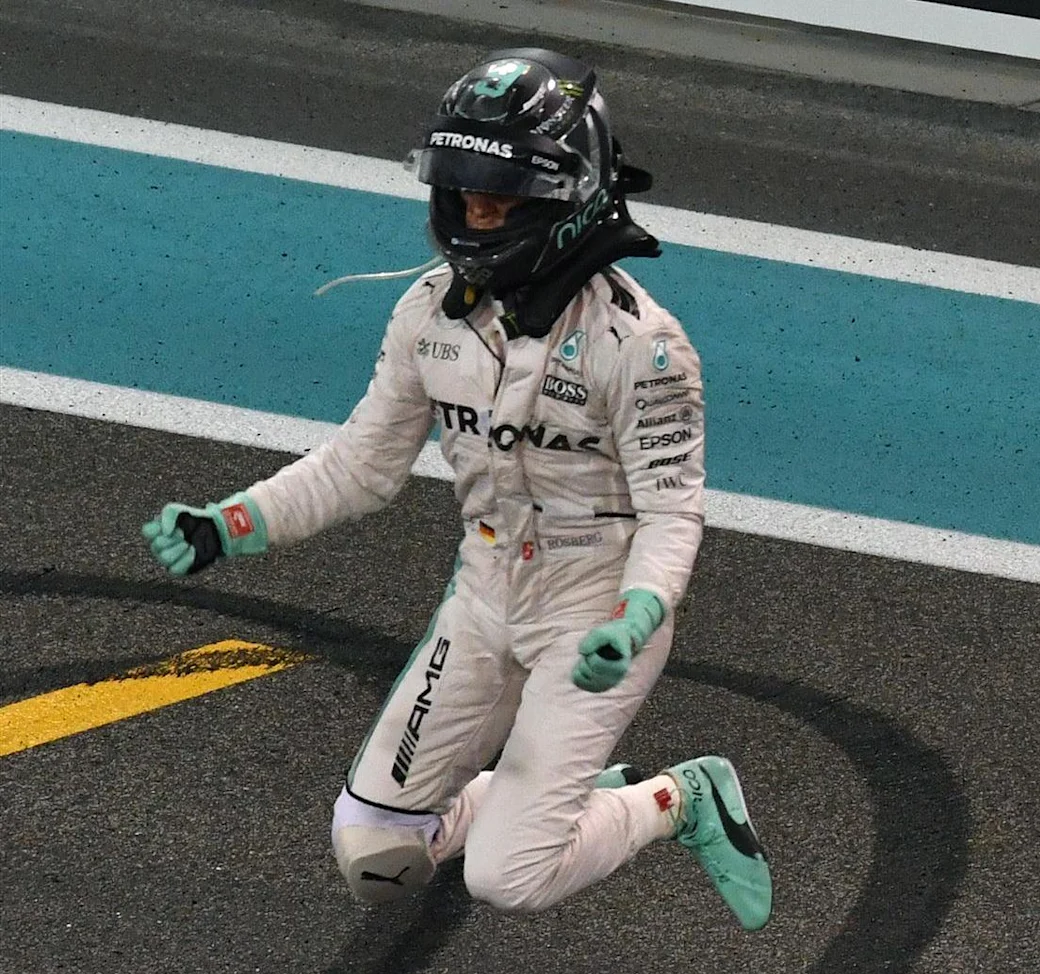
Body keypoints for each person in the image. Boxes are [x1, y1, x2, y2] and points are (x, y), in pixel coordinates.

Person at [142, 47, 770, 929]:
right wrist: (227, 525)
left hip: (592, 611)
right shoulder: (426, 313)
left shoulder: (646, 347)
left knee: (508, 878)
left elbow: (673, 514)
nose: (476, 209)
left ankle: (678, 796)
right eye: (464, 187)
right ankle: (559, 793)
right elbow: (361, 465)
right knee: (377, 859)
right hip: (483, 594)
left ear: (562, 195)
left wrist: (635, 618)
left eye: (500, 194)